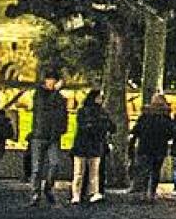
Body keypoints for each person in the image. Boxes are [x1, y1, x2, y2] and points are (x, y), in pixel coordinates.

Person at [26, 69, 68, 206]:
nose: (53, 83)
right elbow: (45, 107)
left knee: (55, 164)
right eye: (51, 80)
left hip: (53, 137)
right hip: (39, 135)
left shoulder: (60, 98)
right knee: (37, 168)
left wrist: (62, 130)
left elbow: (63, 115)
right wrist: (55, 92)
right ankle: (35, 194)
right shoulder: (39, 95)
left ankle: (48, 188)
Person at [68, 88, 114, 205]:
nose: (101, 100)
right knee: (87, 172)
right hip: (91, 145)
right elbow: (109, 127)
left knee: (84, 172)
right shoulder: (100, 113)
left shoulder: (86, 112)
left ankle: (80, 194)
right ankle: (87, 193)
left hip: (87, 145)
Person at [131, 93, 176, 200]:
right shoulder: (166, 117)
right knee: (155, 171)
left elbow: (136, 130)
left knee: (145, 171)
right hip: (160, 147)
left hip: (145, 146)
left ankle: (143, 193)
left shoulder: (145, 115)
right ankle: (152, 193)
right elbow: (171, 133)